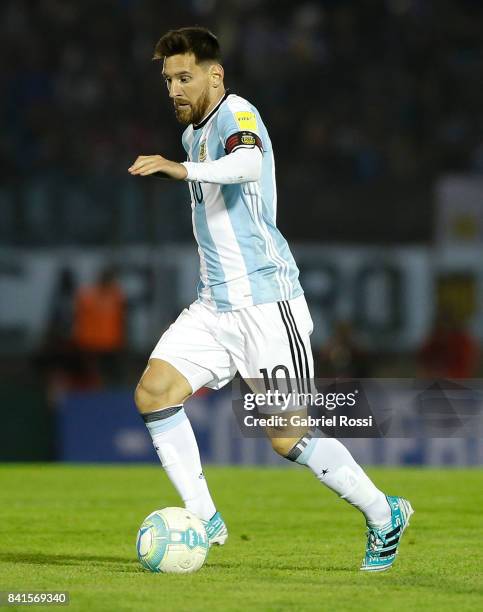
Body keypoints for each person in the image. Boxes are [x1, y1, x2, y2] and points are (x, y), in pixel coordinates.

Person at [128, 27, 412, 572]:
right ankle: (204, 518)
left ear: (216, 76)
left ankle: (384, 513)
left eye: (185, 78)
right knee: (154, 392)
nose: (174, 90)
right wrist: (184, 160)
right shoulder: (194, 134)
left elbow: (248, 165)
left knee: (287, 437)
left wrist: (179, 168)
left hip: (266, 303)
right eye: (168, 80)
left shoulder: (237, 116)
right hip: (214, 307)